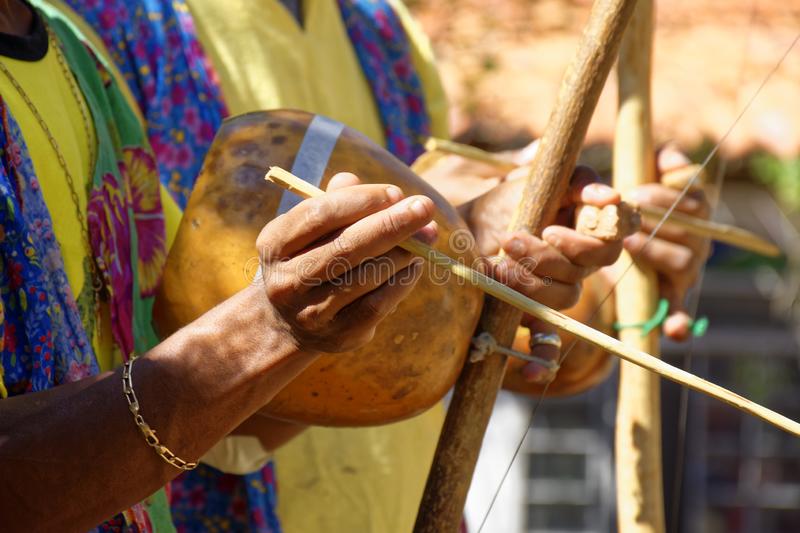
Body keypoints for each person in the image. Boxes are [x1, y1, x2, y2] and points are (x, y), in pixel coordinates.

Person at [60, 0, 711, 531]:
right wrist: (460, 243)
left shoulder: (382, 34)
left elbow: (457, 342)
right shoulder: (91, 35)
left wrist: (608, 276)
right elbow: (141, 395)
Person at [0, 1, 445, 530]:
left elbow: (218, 422)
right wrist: (269, 325)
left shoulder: (74, 53)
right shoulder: (110, 23)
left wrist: (356, 301)